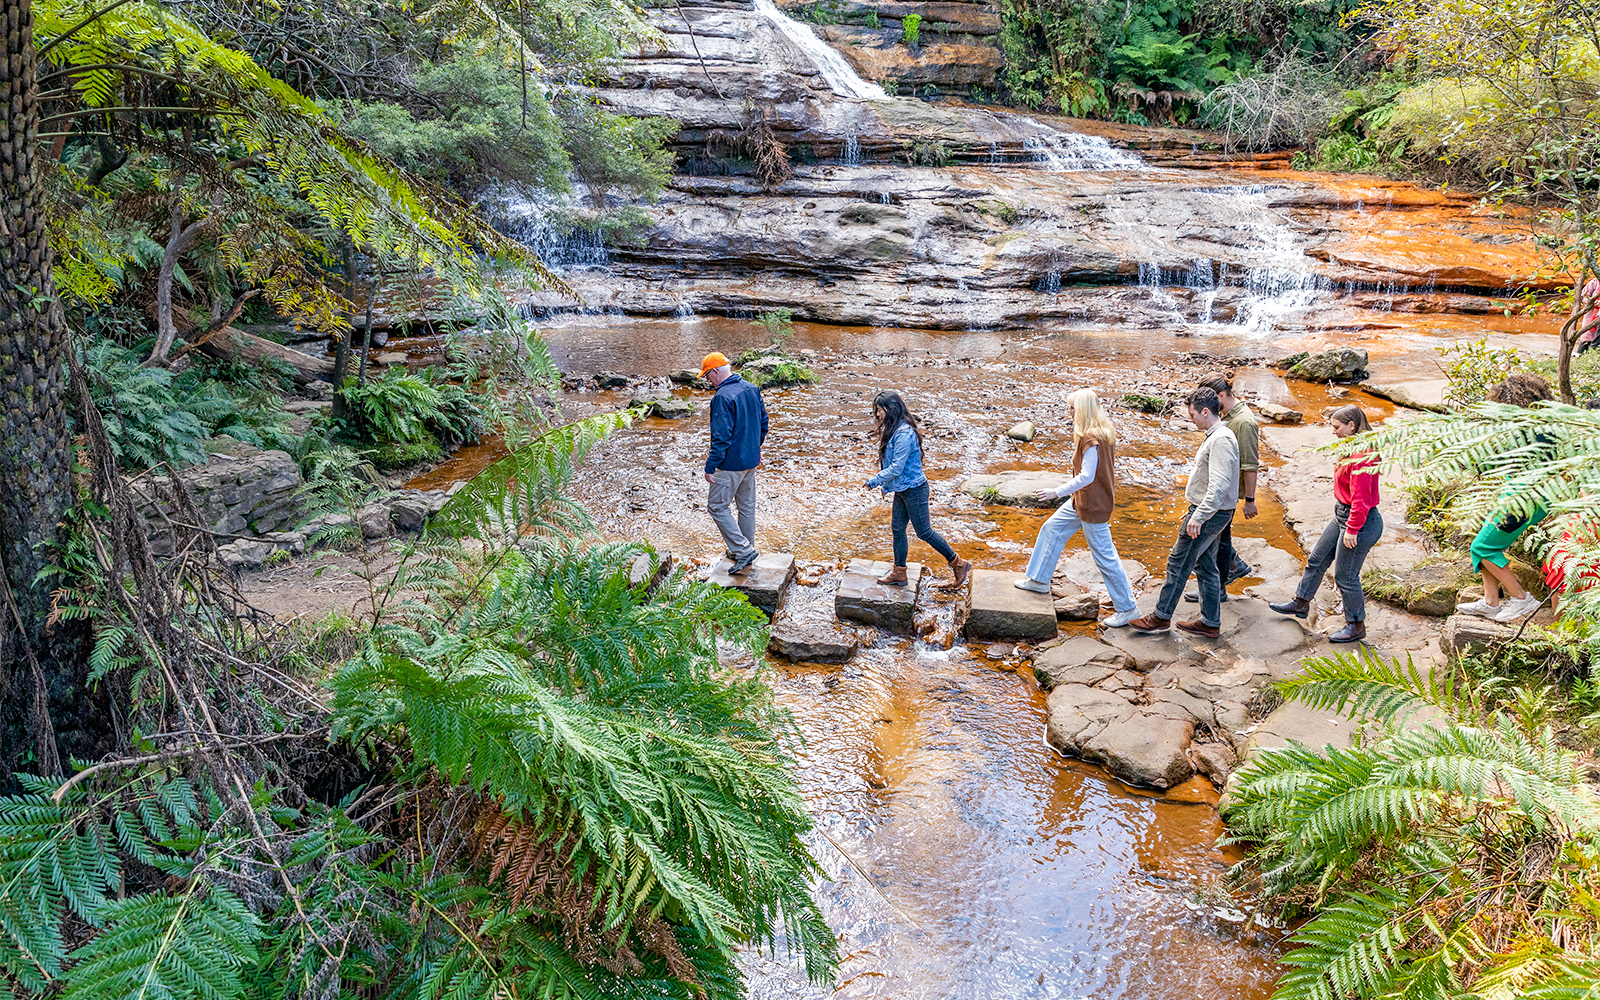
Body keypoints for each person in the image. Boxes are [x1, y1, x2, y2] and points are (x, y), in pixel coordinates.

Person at [1011, 388, 1140, 628]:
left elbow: (1086, 476)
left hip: (1091, 505)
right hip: (1082, 501)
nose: (1068, 412)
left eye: (1072, 408)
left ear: (1081, 410)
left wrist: (1056, 492)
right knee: (1052, 528)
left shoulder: (1089, 437)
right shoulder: (1104, 431)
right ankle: (1039, 580)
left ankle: (1128, 608)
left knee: (1105, 557)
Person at [1127, 387, 1240, 638]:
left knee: (1178, 562)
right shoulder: (1219, 435)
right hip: (1214, 511)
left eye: (1192, 414)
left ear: (1206, 411)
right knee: (1206, 565)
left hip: (1210, 513)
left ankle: (1160, 617)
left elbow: (1220, 484)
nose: (1190, 419)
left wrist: (1199, 515)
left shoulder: (1220, 439)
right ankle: (1210, 623)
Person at [1267, 405, 1383, 643]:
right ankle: (1300, 603)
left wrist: (1352, 530)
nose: (1333, 432)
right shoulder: (1352, 446)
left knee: (1346, 576)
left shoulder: (1362, 456)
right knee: (1317, 559)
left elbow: (1361, 499)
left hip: (1360, 521)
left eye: (1336, 427)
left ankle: (1356, 624)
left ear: (1351, 426)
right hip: (1342, 514)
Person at [1458, 372, 1555, 622]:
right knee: (1487, 543)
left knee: (1482, 546)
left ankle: (1522, 599)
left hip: (1526, 499)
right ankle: (1491, 602)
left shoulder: (1534, 432)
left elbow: (1512, 462)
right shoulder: (1542, 425)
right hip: (1523, 495)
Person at [864, 391, 972, 591]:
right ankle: (899, 572)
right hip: (903, 488)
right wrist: (887, 487)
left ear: (890, 409)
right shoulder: (894, 429)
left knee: (924, 532)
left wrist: (875, 481)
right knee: (897, 529)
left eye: (879, 410)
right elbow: (893, 466)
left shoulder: (904, 433)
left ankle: (958, 563)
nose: (877, 415)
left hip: (914, 490)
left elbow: (897, 467)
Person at [1184, 372, 1257, 604]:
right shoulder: (1226, 416)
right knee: (1219, 539)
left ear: (1221, 395)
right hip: (1219, 492)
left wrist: (1250, 499)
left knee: (1221, 540)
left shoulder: (1243, 422)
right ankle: (1221, 581)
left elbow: (1250, 464)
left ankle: (1219, 588)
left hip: (1227, 494)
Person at [702, 352, 768, 575]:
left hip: (730, 464)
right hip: (750, 460)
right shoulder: (751, 388)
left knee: (717, 506)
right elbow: (763, 423)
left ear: (715, 372)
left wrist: (711, 465)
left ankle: (742, 550)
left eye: (707, 376)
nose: (708, 381)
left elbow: (721, 437)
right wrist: (756, 448)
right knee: (746, 507)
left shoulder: (722, 397)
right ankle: (745, 548)